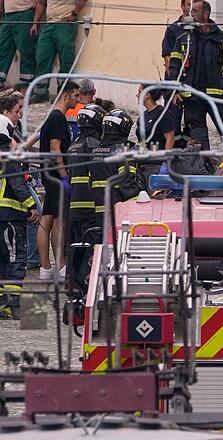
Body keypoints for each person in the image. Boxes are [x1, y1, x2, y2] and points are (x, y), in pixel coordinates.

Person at [168, 0, 223, 150]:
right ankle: (204, 166)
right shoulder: (184, 39)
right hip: (192, 97)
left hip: (216, 96)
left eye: (195, 11)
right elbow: (174, 66)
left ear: (206, 15)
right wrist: (174, 90)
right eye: (191, 11)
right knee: (198, 137)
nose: (191, 14)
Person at [0, 96, 39, 319]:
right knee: (16, 259)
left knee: (3, 261)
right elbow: (16, 182)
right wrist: (32, 205)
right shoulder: (9, 154)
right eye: (17, 111)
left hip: (2, 216)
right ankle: (17, 308)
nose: (20, 115)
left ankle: (3, 305)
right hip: (10, 216)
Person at [37, 79, 78, 280]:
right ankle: (59, 266)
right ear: (66, 95)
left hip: (47, 175)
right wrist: (64, 177)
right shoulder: (58, 118)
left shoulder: (50, 117)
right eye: (76, 96)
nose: (77, 100)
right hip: (55, 176)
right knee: (60, 221)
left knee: (47, 218)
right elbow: (56, 149)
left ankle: (46, 268)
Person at [66, 102, 104, 294]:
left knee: (75, 250)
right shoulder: (94, 146)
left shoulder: (73, 145)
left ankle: (72, 286)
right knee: (91, 251)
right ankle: (87, 288)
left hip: (74, 207)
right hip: (91, 207)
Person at [88, 109, 140, 226]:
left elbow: (90, 183)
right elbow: (127, 184)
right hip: (118, 213)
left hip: (98, 213)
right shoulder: (123, 152)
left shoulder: (94, 152)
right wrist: (138, 205)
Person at [32, 0, 87, 102]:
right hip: (48, 24)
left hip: (65, 23)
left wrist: (74, 14)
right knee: (42, 56)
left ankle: (63, 93)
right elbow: (40, 3)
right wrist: (35, 22)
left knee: (66, 57)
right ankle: (40, 93)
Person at [161, 0, 192, 134]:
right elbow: (167, 57)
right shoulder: (173, 30)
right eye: (188, 4)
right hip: (175, 79)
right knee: (173, 120)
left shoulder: (201, 28)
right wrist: (173, 83)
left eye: (193, 4)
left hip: (192, 81)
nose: (190, 8)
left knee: (192, 122)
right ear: (182, 6)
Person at [136, 84, 175, 187]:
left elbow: (170, 138)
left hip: (156, 165)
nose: (137, 95)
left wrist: (166, 163)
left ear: (148, 94)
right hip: (142, 164)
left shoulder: (162, 113)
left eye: (139, 91)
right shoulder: (143, 116)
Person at [0, 0, 41, 88]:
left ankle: (26, 86)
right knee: (3, 48)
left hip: (24, 13)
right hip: (7, 16)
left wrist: (35, 22)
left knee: (26, 51)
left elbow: (40, 2)